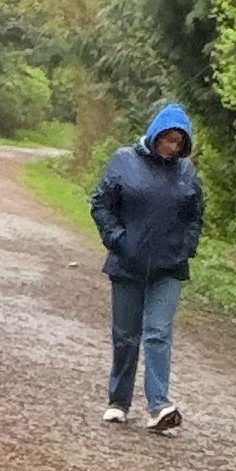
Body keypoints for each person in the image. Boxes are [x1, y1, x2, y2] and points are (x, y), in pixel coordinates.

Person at [96, 98, 205, 429]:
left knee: (158, 332)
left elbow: (195, 216)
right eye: (168, 139)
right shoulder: (123, 161)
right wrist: (118, 240)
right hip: (128, 262)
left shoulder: (187, 173)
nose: (172, 147)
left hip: (169, 267)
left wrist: (185, 248)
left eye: (179, 142)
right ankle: (119, 400)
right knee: (126, 335)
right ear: (155, 134)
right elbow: (101, 204)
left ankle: (159, 405)